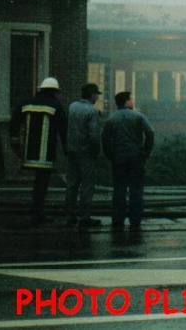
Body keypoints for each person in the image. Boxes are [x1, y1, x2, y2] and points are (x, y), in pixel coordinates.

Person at [9, 77, 68, 226]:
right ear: (55, 91)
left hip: (29, 152)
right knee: (42, 183)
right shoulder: (56, 105)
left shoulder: (26, 103)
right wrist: (66, 148)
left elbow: (14, 123)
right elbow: (63, 129)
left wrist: (15, 144)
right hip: (46, 153)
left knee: (38, 182)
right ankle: (38, 213)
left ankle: (36, 212)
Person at [102, 91, 155, 231]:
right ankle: (135, 220)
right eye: (131, 99)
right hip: (136, 157)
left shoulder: (111, 119)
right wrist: (146, 152)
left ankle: (118, 220)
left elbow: (105, 140)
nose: (133, 102)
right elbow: (150, 133)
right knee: (136, 190)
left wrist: (111, 156)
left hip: (119, 158)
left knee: (119, 189)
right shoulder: (138, 116)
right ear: (126, 101)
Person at [64, 83, 103, 229]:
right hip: (86, 152)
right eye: (96, 94)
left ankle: (70, 216)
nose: (98, 97)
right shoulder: (91, 111)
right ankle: (85, 217)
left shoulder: (72, 106)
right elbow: (94, 135)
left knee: (72, 184)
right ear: (92, 95)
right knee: (87, 185)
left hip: (72, 150)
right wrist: (96, 151)